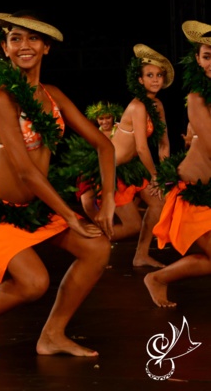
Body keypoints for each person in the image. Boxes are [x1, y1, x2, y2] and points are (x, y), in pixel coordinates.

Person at [0, 11, 115, 358]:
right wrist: (69, 216)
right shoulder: (2, 99)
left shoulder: (52, 96)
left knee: (98, 249)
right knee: (35, 282)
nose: (25, 46)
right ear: (5, 49)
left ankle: (52, 335)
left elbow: (105, 145)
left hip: (33, 208)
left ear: (46, 47)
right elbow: (24, 171)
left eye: (33, 39)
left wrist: (108, 197)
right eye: (16, 39)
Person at [74, 45, 173, 268]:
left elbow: (163, 143)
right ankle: (85, 244)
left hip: (132, 167)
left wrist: (164, 175)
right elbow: (141, 148)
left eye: (159, 75)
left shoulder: (157, 105)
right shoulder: (137, 107)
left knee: (159, 203)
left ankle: (141, 255)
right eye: (150, 75)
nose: (155, 80)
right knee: (132, 225)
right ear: (140, 80)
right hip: (112, 170)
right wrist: (155, 175)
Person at [144, 19, 211, 307]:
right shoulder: (197, 97)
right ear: (197, 59)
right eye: (207, 56)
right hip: (194, 193)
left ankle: (159, 279)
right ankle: (157, 279)